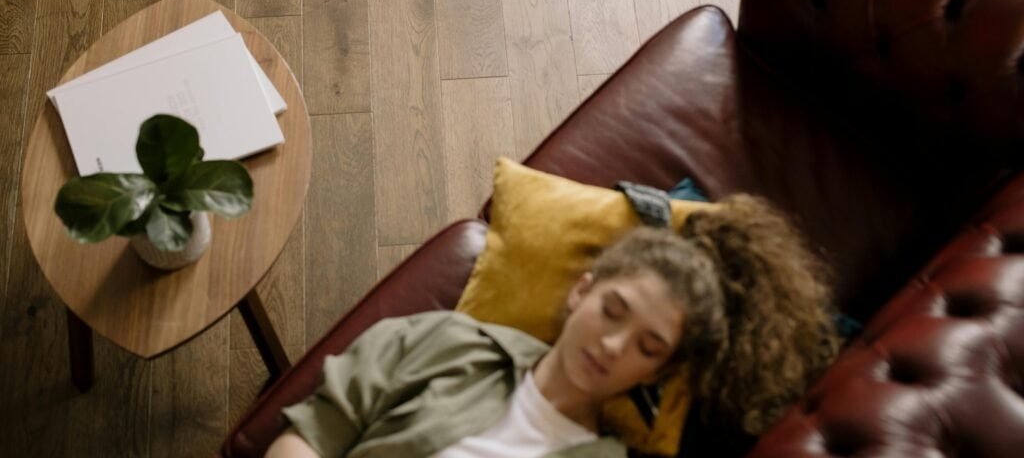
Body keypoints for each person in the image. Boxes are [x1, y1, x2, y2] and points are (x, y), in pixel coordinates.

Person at [267, 195, 839, 458]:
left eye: (648, 345)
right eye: (614, 310)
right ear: (583, 290)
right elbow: (311, 435)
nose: (614, 345)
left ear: (660, 370)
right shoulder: (447, 341)